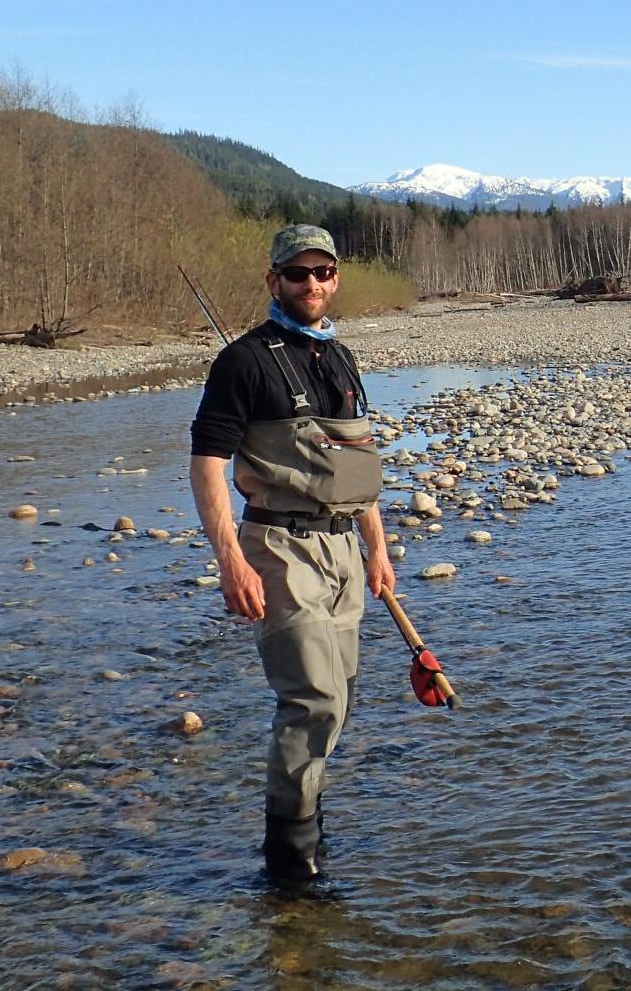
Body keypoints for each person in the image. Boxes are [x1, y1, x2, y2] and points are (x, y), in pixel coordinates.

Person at [189, 223, 393, 886]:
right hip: (278, 547)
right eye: (298, 273)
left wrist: (377, 550)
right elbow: (207, 464)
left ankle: (308, 825)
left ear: (335, 278)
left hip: (344, 550)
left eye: (322, 272)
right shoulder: (243, 362)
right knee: (313, 700)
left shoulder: (341, 358)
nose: (312, 284)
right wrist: (231, 560)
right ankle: (291, 864)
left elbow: (355, 465)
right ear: (273, 279)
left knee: (341, 699)